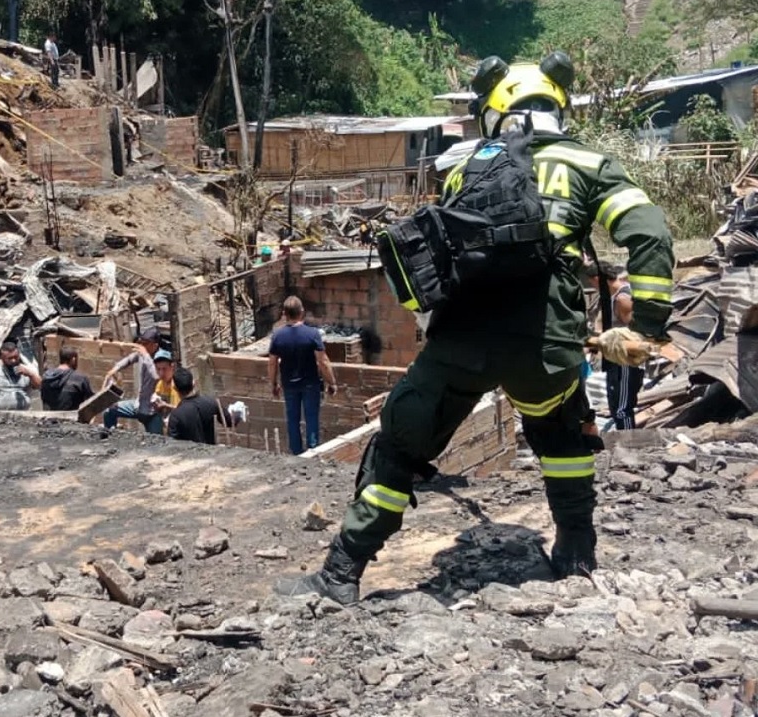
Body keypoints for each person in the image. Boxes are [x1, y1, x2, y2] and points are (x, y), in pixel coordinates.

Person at [275, 53, 673, 605]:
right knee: (562, 438)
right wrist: (647, 328)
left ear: (494, 112)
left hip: (460, 342)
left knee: (398, 446)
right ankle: (576, 552)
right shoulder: (590, 164)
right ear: (558, 105)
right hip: (545, 348)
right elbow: (649, 232)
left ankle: (341, 572)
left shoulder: (470, 167)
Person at [268, 296, 338, 455]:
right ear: (302, 312)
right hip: (310, 384)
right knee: (312, 417)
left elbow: (272, 363)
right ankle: (313, 451)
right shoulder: (312, 334)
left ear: (284, 313)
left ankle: (296, 453)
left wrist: (273, 384)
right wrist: (331, 382)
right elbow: (323, 361)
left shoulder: (278, 336)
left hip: (289, 385)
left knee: (292, 419)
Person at [602, 265, 643, 430]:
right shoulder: (615, 297)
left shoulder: (622, 298)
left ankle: (628, 443)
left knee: (622, 407)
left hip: (624, 358)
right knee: (616, 404)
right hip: (615, 356)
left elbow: (631, 330)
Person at [102, 327, 164, 434]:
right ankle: (110, 436)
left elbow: (156, 376)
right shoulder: (142, 353)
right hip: (139, 405)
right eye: (142, 342)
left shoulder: (162, 358)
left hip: (153, 411)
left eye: (146, 343)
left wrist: (146, 355)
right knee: (109, 410)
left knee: (156, 441)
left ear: (155, 345)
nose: (143, 346)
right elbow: (130, 359)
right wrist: (115, 369)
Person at [167, 367, 245, 445]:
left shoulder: (176, 416)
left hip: (189, 455)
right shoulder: (211, 402)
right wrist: (239, 412)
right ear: (193, 383)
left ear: (175, 388)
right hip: (210, 454)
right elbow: (230, 421)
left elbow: (172, 444)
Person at [0, 340, 41, 411]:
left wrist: (30, 374)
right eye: (9, 358)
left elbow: (40, 386)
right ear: (2, 358)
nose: (13, 361)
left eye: (16, 357)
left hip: (23, 414)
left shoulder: (27, 369)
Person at [41, 345, 94, 412]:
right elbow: (91, 402)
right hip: (72, 420)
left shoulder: (46, 377)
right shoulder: (80, 379)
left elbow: (44, 400)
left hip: (49, 419)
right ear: (73, 359)